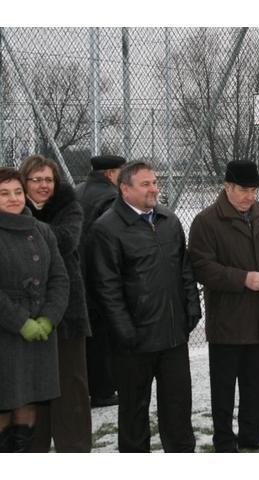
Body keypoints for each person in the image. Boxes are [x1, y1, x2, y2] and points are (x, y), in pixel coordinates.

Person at [88, 161, 201, 452]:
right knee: (134, 412)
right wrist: (125, 331)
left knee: (178, 408)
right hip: (134, 341)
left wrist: (191, 309)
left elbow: (184, 270)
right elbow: (106, 287)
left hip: (173, 336)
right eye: (145, 184)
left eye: (155, 182)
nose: (154, 189)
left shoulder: (169, 221)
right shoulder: (107, 229)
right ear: (124, 189)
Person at [188, 160, 259, 453]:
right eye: (243, 190)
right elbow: (201, 266)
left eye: (254, 190)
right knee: (224, 385)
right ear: (227, 187)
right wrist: (243, 278)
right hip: (228, 320)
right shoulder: (207, 222)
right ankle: (224, 440)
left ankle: (253, 434)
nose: (250, 196)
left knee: (257, 382)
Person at [19, 155, 92, 452]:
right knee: (32, 387)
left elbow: (65, 240)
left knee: (70, 384)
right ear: (24, 182)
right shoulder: (13, 207)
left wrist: (22, 227)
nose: (43, 185)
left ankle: (75, 449)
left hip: (67, 312)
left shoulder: (69, 207)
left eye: (48, 179)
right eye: (36, 179)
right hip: (25, 314)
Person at [0, 167, 69, 453]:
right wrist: (20, 322)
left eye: (17, 191)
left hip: (40, 333)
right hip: (6, 335)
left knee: (28, 403)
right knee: (4, 405)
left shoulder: (41, 230)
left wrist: (49, 318)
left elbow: (59, 278)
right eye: (4, 193)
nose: (13, 198)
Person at [75, 154, 125, 408]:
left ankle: (88, 386)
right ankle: (103, 390)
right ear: (110, 173)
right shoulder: (111, 197)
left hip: (79, 271)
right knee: (103, 336)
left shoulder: (79, 191)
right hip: (100, 274)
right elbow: (112, 238)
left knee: (88, 336)